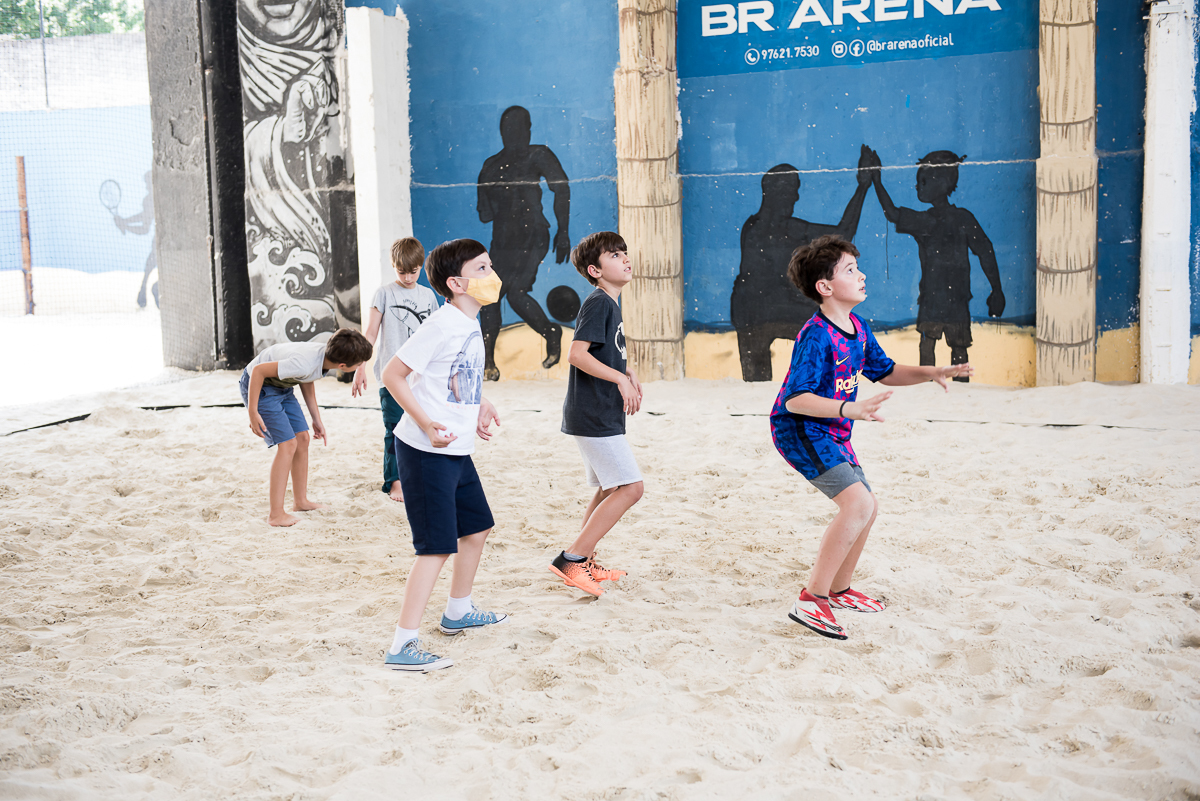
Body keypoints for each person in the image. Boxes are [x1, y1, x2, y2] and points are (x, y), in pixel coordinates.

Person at [770, 235, 972, 640]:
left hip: (833, 430)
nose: (861, 274)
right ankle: (813, 599)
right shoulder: (816, 335)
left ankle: (840, 589)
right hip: (801, 430)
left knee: (868, 507)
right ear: (824, 287)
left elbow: (885, 370)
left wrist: (929, 371)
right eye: (849, 270)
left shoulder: (857, 328)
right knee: (858, 504)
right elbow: (796, 400)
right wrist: (849, 409)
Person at [380, 238, 508, 672]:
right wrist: (425, 421)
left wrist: (479, 403)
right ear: (456, 283)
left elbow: (455, 375)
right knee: (435, 548)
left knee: (476, 529)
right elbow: (393, 375)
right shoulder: (441, 323)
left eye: (490, 266)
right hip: (424, 450)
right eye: (483, 269)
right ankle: (403, 645)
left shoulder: (469, 322)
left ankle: (457, 611)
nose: (492, 276)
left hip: (456, 446)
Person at [550, 231, 644, 598]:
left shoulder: (611, 303)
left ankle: (583, 559)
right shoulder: (599, 302)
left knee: (610, 487)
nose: (625, 259)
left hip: (599, 413)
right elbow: (576, 353)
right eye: (614, 255)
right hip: (592, 414)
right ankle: (573, 558)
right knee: (631, 488)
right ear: (595, 269)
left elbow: (607, 353)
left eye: (625, 253)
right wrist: (620, 377)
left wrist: (627, 371)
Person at [730, 147, 874, 382]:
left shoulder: (752, 226)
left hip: (751, 310)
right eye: (792, 191)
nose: (796, 198)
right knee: (823, 326)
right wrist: (862, 187)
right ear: (772, 193)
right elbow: (844, 232)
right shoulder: (783, 229)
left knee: (757, 375)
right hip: (760, 310)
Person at [864, 147, 1005, 379]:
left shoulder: (929, 222)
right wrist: (996, 289)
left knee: (931, 345)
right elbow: (985, 251)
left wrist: (877, 180)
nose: (918, 186)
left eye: (923, 181)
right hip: (954, 299)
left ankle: (930, 387)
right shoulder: (959, 219)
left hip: (937, 300)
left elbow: (892, 213)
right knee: (955, 349)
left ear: (941, 183)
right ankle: (955, 389)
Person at [240, 327, 373, 527]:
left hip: (282, 387)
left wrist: (316, 418)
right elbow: (259, 371)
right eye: (359, 364)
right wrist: (252, 411)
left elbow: (307, 378)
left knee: (303, 438)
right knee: (288, 444)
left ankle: (300, 501)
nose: (361, 365)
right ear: (343, 366)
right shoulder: (303, 363)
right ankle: (275, 514)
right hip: (259, 386)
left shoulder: (320, 357)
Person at [476, 105, 571, 380]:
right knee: (490, 298)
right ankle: (489, 363)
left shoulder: (538, 154)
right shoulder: (491, 166)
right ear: (502, 132)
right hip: (503, 241)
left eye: (520, 129)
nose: (515, 135)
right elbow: (485, 214)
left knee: (516, 292)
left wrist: (563, 232)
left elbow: (561, 187)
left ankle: (550, 333)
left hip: (534, 235)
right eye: (510, 130)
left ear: (529, 130)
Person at [351, 237, 439, 502]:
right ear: (393, 266)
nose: (408, 277)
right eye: (402, 272)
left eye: (414, 271)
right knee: (394, 429)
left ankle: (422, 477)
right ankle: (395, 482)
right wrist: (360, 366)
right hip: (391, 376)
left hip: (421, 376)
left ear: (421, 267)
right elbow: (370, 332)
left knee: (425, 427)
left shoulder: (427, 295)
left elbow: (435, 335)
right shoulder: (384, 293)